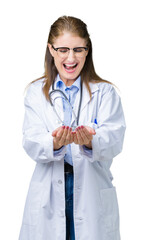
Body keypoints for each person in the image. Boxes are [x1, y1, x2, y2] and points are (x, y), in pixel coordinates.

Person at [19, 16, 126, 240]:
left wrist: (89, 140)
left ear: (87, 50)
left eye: (78, 49)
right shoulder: (36, 93)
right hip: (49, 191)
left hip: (91, 191)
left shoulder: (105, 93)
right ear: (51, 50)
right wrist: (54, 143)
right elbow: (31, 141)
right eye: (63, 49)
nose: (71, 57)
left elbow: (114, 139)